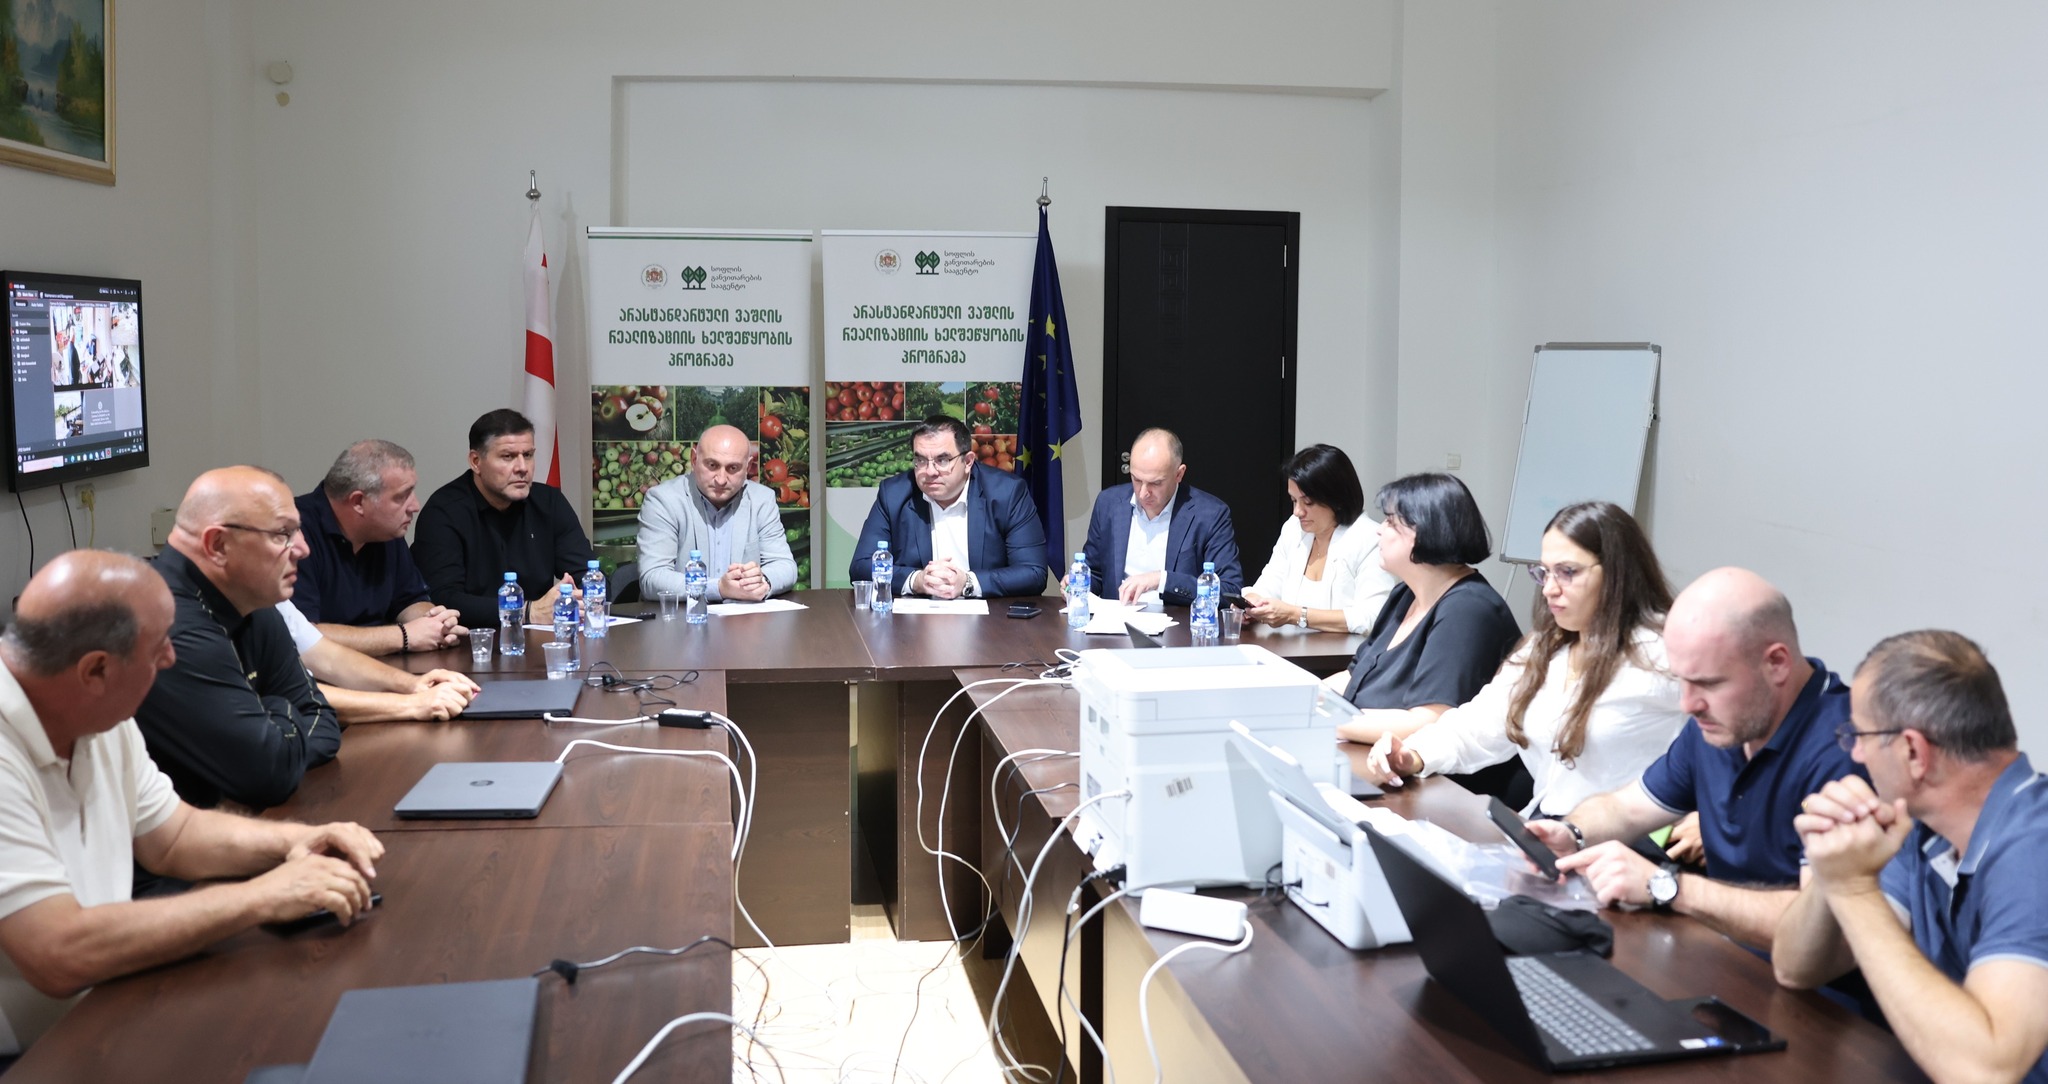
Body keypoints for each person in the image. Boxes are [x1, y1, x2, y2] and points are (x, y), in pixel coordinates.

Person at [0, 551, 381, 1056]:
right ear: (96, 670)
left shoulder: (98, 712)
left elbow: (173, 836)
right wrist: (263, 896)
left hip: (103, 1011)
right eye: (159, 646)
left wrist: (299, 839)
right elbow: (58, 952)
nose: (170, 660)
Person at [1522, 568, 1862, 950]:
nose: (1688, 704)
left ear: (1777, 663)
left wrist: (1667, 886)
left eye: (1708, 683)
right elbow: (1628, 809)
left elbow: (1822, 934)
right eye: (1682, 680)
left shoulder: (1849, 751)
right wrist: (1573, 834)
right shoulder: (1721, 724)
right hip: (1723, 955)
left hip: (1797, 982)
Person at [1774, 631, 2048, 1084]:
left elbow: (1984, 1072)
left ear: (1913, 751)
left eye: (1859, 735)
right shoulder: (1920, 829)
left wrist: (1854, 888)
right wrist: (1831, 868)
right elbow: (1795, 968)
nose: (1855, 753)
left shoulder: (2035, 849)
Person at [1364, 501, 1686, 816]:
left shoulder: (1662, 652)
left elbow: (1715, 741)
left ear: (1618, 572)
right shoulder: (1545, 647)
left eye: (1567, 572)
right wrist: (1414, 753)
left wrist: (1701, 815)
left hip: (1629, 841)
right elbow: (1481, 724)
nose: (1549, 589)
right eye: (1545, 572)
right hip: (1550, 827)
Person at [136, 467, 341, 812]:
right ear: (218, 545)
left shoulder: (252, 602)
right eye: (283, 534)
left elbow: (323, 721)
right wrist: (275, 708)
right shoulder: (167, 626)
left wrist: (269, 724)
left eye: (298, 530)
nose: (303, 549)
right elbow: (268, 774)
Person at [1330, 473, 1521, 752]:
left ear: (1424, 531)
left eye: (1390, 521)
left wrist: (1324, 721)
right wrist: (1301, 696)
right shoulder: (1405, 593)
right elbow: (1355, 675)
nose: (1379, 530)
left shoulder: (1468, 610)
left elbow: (1430, 722)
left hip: (1436, 772)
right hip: (1372, 750)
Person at [411, 409, 596, 628]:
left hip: (540, 639)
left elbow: (590, 575)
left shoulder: (549, 502)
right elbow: (442, 599)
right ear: (476, 461)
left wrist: (579, 597)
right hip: (472, 641)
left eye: (528, 455)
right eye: (508, 457)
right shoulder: (443, 511)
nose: (522, 468)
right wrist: (526, 612)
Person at [293, 439, 464, 656]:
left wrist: (436, 623)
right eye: (401, 496)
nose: (415, 506)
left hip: (380, 663)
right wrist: (403, 636)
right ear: (358, 502)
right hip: (319, 671)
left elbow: (410, 601)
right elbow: (302, 635)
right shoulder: (293, 534)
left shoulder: (384, 530)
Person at [848, 415, 1047, 599]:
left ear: (968, 461)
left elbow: (1033, 572)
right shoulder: (894, 494)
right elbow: (861, 567)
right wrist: (916, 580)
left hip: (989, 619)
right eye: (920, 460)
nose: (930, 471)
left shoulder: (1007, 493)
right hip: (915, 619)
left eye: (942, 460)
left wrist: (967, 583)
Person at [1244, 445, 1398, 633]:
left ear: (1337, 499)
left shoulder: (1370, 539)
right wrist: (1252, 602)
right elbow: (1270, 582)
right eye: (1294, 501)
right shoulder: (1293, 528)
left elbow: (1371, 617)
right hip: (1288, 648)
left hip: (1345, 651)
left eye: (1308, 502)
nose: (1297, 512)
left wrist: (1295, 615)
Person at [637, 424, 797, 602]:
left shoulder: (762, 500)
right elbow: (652, 577)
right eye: (712, 465)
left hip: (744, 617)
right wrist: (718, 588)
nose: (721, 480)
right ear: (694, 459)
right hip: (685, 615)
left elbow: (785, 566)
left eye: (733, 468)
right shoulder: (663, 500)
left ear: (748, 467)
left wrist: (760, 581)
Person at [1080, 429, 1242, 605]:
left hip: (1175, 621)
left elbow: (1229, 590)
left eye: (1155, 483)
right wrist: (1078, 584)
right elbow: (1095, 573)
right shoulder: (1108, 503)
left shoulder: (1210, 514)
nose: (1143, 493)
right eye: (1136, 479)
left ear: (1179, 474)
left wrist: (1162, 580)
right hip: (1118, 617)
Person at [274, 603, 477, 723]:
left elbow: (327, 657)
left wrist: (413, 684)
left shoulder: (276, 602)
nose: (302, 549)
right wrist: (413, 704)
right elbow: (295, 693)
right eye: (282, 541)